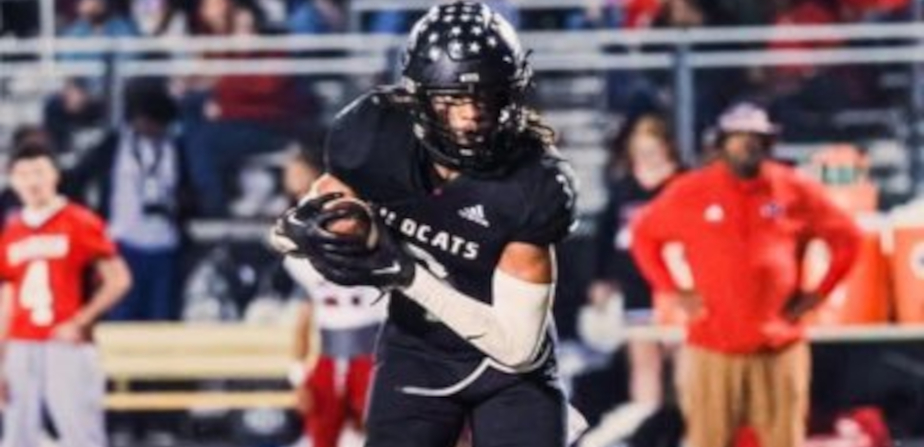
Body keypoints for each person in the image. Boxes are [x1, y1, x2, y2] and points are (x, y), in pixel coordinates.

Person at [272, 2, 584, 446]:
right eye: (453, 98)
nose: (470, 113)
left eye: (485, 96)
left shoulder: (532, 184)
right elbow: (314, 212)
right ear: (418, 98)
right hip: (417, 351)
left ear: (510, 96)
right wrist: (307, 229)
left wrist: (404, 274)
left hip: (511, 373)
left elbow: (517, 349)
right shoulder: (375, 136)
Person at [630, 102, 862, 447]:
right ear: (721, 143)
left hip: (778, 345)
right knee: (708, 440)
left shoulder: (792, 188)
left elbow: (848, 238)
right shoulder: (693, 190)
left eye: (755, 137)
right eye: (737, 136)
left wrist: (819, 293)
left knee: (784, 441)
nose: (747, 144)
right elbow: (643, 235)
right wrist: (672, 290)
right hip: (713, 344)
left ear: (768, 143)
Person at [0, 143, 132, 447]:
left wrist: (81, 320)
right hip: (21, 343)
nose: (32, 182)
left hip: (66, 344)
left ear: (55, 175)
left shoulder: (79, 221)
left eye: (39, 172)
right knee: (16, 435)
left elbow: (118, 279)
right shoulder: (12, 233)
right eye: (23, 174)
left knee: (80, 431)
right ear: (12, 180)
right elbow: (7, 301)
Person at [580, 114, 683, 447]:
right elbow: (607, 236)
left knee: (682, 363)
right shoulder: (624, 188)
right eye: (640, 152)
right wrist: (601, 279)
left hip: (676, 290)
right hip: (636, 288)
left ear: (667, 148)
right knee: (644, 365)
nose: (647, 158)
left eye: (652, 150)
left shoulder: (684, 184)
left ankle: (684, 428)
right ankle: (644, 426)